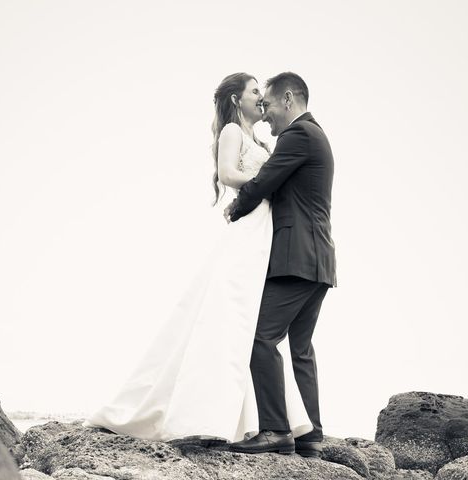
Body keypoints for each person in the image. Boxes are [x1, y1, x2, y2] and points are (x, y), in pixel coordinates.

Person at [82, 73, 314, 443]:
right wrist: (261, 186)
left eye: (263, 93)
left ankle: (257, 420)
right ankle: (206, 417)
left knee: (248, 322)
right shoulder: (232, 133)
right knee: (231, 315)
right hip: (248, 232)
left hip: (263, 232)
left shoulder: (257, 140)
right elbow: (226, 174)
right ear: (237, 100)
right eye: (255, 91)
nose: (261, 99)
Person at [225, 72, 337, 457]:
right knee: (301, 349)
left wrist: (235, 209)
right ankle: (312, 437)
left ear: (287, 99)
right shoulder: (315, 135)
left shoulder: (299, 135)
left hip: (296, 259)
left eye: (268, 105)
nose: (265, 113)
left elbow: (265, 182)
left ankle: (276, 429)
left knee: (260, 336)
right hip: (319, 261)